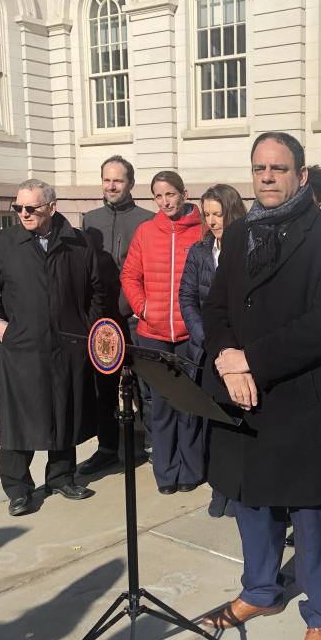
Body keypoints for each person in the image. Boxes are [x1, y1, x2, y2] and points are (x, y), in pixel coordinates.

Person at [199, 132, 321, 640]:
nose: (267, 177)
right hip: (242, 391)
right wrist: (225, 358)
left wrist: (251, 361)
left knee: (311, 512)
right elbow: (216, 305)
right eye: (259, 168)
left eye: (279, 168)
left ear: (301, 172)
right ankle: (261, 590)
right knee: (252, 500)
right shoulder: (240, 231)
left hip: (303, 395)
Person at [0, 179, 103, 516]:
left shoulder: (78, 242)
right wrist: (0, 327)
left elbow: (95, 292)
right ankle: (18, 488)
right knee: (21, 420)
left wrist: (87, 331)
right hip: (22, 347)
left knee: (64, 411)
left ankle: (61, 476)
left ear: (51, 208)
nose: (24, 213)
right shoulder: (4, 243)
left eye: (31, 208)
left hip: (68, 347)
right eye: (19, 207)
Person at [121, 171, 204, 494]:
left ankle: (191, 469)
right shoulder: (145, 231)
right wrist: (143, 308)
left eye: (170, 194)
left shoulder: (201, 229)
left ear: (184, 193)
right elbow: (130, 276)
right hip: (152, 332)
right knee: (162, 404)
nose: (165, 201)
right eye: (158, 196)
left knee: (189, 403)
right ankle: (166, 472)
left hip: (188, 334)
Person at [79, 155, 155, 474]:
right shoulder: (89, 220)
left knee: (145, 384)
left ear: (131, 184)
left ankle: (153, 446)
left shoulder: (147, 220)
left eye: (118, 180)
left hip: (137, 317)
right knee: (104, 385)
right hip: (101, 320)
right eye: (107, 180)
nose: (111, 186)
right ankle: (108, 447)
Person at [179, 184, 247, 518]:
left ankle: (237, 489)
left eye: (217, 214)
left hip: (239, 352)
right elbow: (187, 297)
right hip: (208, 352)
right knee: (214, 422)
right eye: (207, 215)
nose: (212, 222)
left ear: (232, 213)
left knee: (239, 420)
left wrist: (233, 348)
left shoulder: (249, 249)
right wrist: (207, 339)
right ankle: (218, 487)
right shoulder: (200, 251)